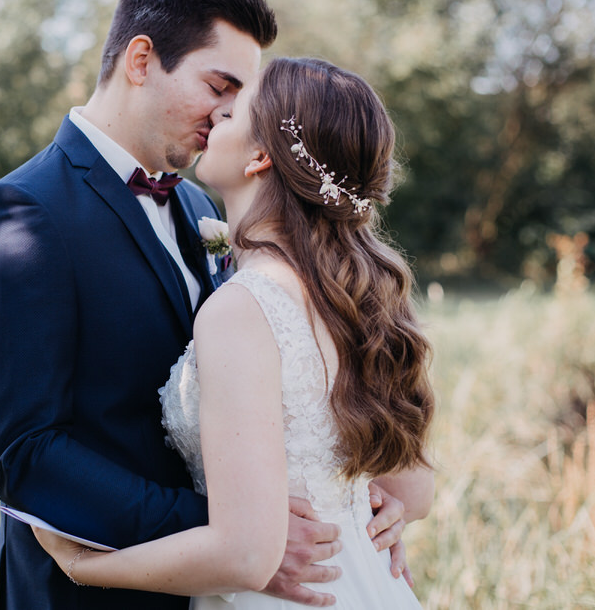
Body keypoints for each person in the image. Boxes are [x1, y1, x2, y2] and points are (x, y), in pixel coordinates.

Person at [0, 0, 409, 609]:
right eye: (219, 87)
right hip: (84, 591)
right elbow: (26, 454)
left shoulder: (203, 209)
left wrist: (362, 503)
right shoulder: (24, 216)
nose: (228, 113)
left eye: (240, 101)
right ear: (141, 60)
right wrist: (238, 538)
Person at [31, 56, 436, 609]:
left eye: (231, 112)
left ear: (260, 156)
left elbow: (245, 558)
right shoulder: (360, 297)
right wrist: (367, 512)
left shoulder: (246, 308)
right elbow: (414, 492)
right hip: (366, 584)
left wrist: (84, 564)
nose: (214, 113)